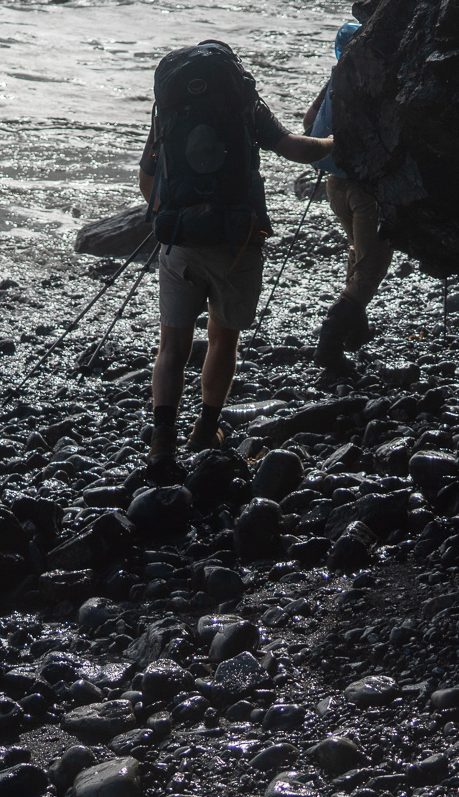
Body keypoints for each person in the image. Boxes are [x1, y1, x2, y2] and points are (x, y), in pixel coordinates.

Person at [139, 40, 333, 482]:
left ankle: (162, 442)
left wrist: (173, 217)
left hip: (181, 243)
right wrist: (334, 140)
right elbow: (294, 148)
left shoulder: (169, 109)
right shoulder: (245, 103)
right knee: (223, 340)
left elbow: (147, 177)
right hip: (236, 243)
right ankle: (206, 430)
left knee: (172, 346)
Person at [304, 21, 394, 373]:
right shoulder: (374, 79)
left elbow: (310, 119)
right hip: (365, 190)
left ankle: (356, 331)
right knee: (372, 265)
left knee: (359, 250)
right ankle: (329, 342)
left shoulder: (335, 78)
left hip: (333, 185)